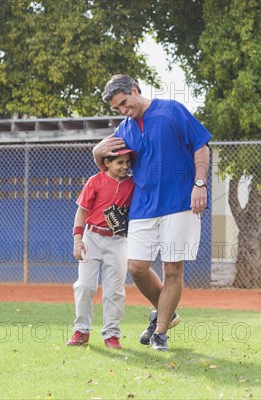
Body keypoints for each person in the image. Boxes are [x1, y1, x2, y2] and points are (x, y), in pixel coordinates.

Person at [93, 74, 212, 351]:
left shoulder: (171, 110)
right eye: (117, 108)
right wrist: (96, 151)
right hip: (142, 206)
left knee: (172, 269)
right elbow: (108, 166)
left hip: (180, 202)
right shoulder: (124, 130)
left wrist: (199, 184)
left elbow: (201, 147)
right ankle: (165, 314)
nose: (123, 110)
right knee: (136, 267)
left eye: (124, 102)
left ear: (134, 90)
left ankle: (160, 332)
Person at [67, 148, 135, 350]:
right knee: (85, 286)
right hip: (92, 237)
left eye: (127, 162)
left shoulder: (133, 184)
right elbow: (81, 212)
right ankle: (81, 330)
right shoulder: (95, 181)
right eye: (119, 162)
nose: (124, 166)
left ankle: (112, 334)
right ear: (107, 163)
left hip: (118, 240)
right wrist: (78, 240)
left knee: (114, 290)